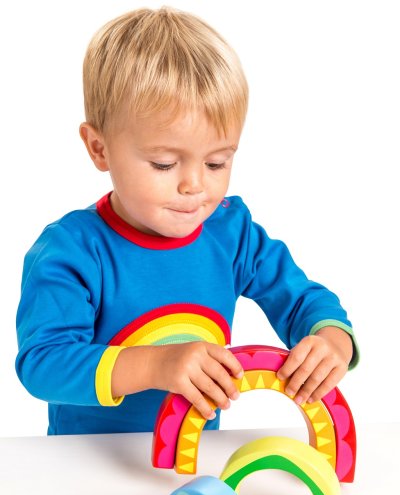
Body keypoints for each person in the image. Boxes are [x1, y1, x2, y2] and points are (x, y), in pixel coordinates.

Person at [15, 7, 358, 436]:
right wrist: (156, 365)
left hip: (191, 460)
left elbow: (302, 298)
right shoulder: (73, 249)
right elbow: (43, 363)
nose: (194, 185)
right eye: (164, 164)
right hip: (85, 459)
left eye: (216, 163)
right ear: (99, 148)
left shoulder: (231, 234)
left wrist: (330, 340)